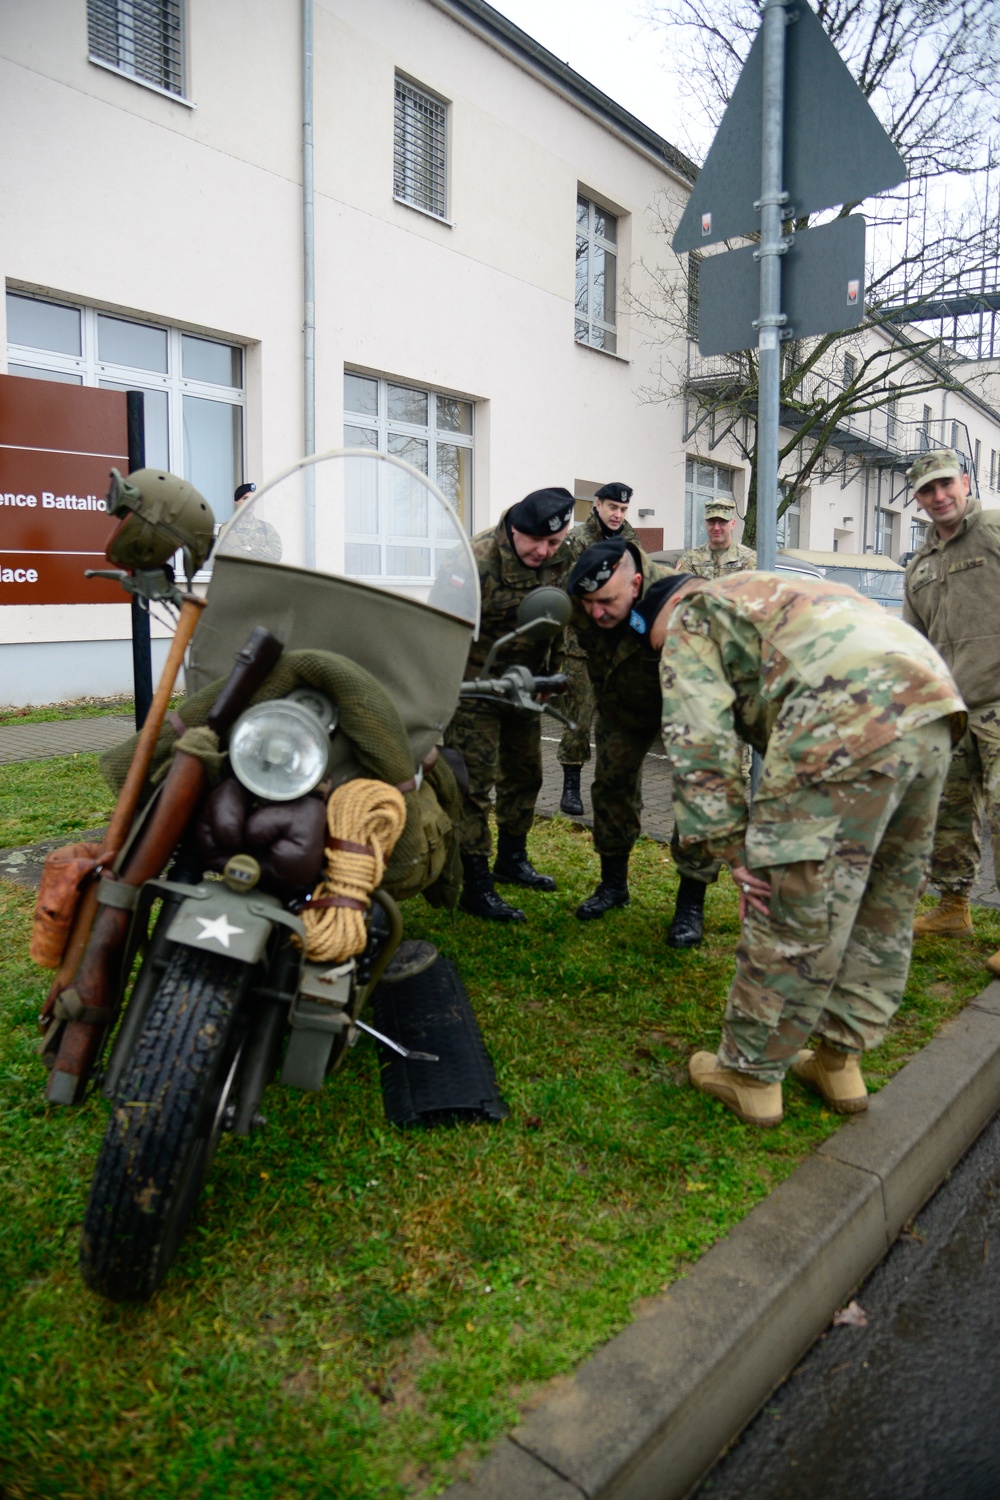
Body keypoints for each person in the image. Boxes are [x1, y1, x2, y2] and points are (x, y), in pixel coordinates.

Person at [643, 568, 964, 1128]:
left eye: (659, 646)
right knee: (883, 899)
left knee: (791, 902)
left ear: (670, 611)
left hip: (843, 717)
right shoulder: (777, 592)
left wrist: (733, 850)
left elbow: (700, 739)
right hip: (932, 708)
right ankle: (840, 1060)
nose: (666, 658)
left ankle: (750, 1076)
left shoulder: (694, 615)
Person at [565, 536, 721, 944]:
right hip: (623, 705)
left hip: (687, 704)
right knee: (611, 784)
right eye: (588, 604)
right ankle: (612, 885)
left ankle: (690, 905)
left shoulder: (681, 599)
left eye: (606, 602)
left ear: (635, 584)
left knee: (698, 796)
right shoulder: (583, 598)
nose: (595, 613)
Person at [444, 486, 576, 922]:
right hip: (475, 688)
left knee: (525, 775)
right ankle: (476, 884)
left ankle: (511, 860)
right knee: (473, 788)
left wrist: (551, 677)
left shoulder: (562, 556)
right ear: (514, 528)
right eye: (535, 541)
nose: (544, 551)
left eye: (554, 543)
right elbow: (438, 630)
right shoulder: (474, 560)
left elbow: (557, 621)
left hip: (527, 685)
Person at [903, 448, 1000, 971]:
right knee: (951, 813)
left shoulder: (993, 528)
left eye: (946, 485)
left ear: (965, 482)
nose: (939, 497)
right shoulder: (918, 567)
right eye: (927, 490)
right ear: (917, 500)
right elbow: (913, 646)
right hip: (952, 712)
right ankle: (954, 906)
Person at [557, 482, 638, 818]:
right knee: (578, 719)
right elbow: (567, 592)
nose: (617, 515)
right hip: (582, 648)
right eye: (612, 508)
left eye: (623, 510)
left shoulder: (630, 542)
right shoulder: (577, 541)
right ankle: (570, 786)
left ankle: (612, 785)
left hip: (618, 649)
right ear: (598, 505)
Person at [678, 495, 756, 578]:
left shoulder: (749, 559)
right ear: (706, 524)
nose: (716, 528)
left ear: (733, 523)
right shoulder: (690, 559)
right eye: (711, 522)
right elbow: (682, 589)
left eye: (722, 522)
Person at [224, 480, 282, 561]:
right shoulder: (228, 528)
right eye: (245, 498)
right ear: (236, 502)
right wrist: (263, 551)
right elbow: (233, 555)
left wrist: (250, 548)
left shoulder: (266, 528)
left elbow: (276, 555)